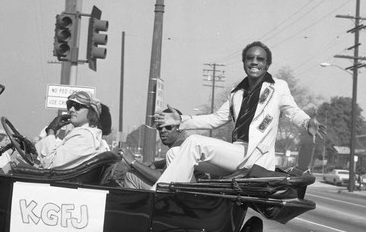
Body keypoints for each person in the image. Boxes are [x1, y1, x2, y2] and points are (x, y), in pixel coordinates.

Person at [155, 40, 326, 185]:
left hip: (256, 158)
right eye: (250, 58)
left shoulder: (278, 87)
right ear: (244, 62)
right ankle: (184, 202)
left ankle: (158, 194)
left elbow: (293, 111)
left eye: (260, 59)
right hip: (235, 154)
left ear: (267, 64)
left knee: (193, 141)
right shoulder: (236, 93)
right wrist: (182, 120)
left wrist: (307, 122)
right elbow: (215, 119)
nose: (254, 62)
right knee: (173, 153)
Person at [35, 90, 111, 169]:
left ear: (91, 112)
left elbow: (50, 164)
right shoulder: (86, 135)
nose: (71, 109)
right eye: (69, 105)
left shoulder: (84, 137)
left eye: (77, 106)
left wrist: (51, 131)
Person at [118, 109, 187, 189]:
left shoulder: (177, 148)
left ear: (180, 128)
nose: (163, 130)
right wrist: (155, 164)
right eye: (160, 127)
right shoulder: (184, 144)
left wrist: (133, 162)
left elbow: (162, 178)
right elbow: (173, 161)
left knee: (131, 176)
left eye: (168, 127)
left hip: (181, 194)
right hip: (181, 190)